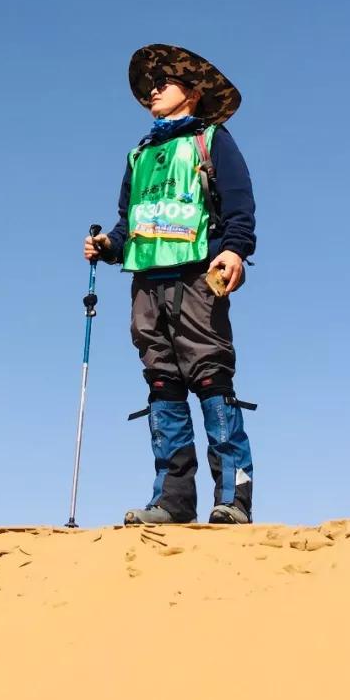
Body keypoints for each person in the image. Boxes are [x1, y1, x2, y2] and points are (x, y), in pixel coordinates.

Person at [84, 44, 257, 525]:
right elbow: (128, 222)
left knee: (211, 377)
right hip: (146, 282)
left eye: (164, 83)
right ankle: (173, 501)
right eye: (150, 85)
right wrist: (108, 245)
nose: (153, 91)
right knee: (162, 383)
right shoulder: (139, 154)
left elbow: (239, 202)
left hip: (198, 276)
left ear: (193, 92)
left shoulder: (212, 139)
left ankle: (233, 499)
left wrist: (234, 249)